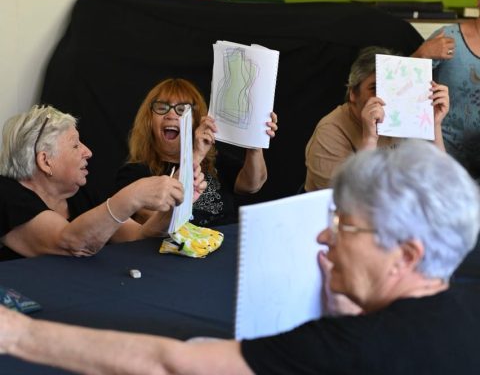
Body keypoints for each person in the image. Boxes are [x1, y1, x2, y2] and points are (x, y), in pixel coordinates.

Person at [1, 140, 480, 374]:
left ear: (406, 255)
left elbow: (170, 364)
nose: (324, 236)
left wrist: (20, 335)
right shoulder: (465, 307)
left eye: (345, 227)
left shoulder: (346, 349)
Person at [0, 105, 206, 261]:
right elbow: (72, 243)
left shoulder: (81, 193)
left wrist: (175, 203)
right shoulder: (6, 194)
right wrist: (134, 195)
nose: (88, 152)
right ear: (46, 161)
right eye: (75, 145)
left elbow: (139, 236)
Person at [115, 78, 278, 226]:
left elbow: (252, 185)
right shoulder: (134, 173)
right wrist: (196, 155)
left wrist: (255, 142)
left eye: (182, 109)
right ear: (149, 121)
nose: (171, 114)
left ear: (196, 120)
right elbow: (155, 222)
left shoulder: (215, 162)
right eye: (162, 107)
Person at [304, 45, 450, 190]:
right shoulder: (329, 131)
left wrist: (434, 124)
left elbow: (441, 179)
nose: (384, 96)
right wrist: (369, 139)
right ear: (353, 93)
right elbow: (349, 198)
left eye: (391, 87)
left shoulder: (404, 116)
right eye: (374, 88)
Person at [412, 0, 480, 179]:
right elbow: (401, 88)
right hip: (440, 159)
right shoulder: (447, 39)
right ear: (478, 0)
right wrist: (421, 54)